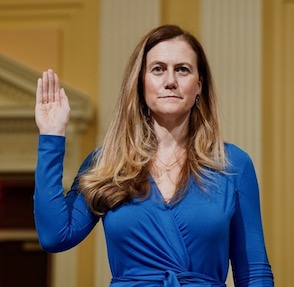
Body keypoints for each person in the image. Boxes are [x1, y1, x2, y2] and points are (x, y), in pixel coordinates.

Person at [34, 25, 274, 286]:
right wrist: (51, 136)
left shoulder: (232, 164)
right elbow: (55, 236)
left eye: (183, 69)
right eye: (158, 69)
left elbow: (254, 274)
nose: (170, 80)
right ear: (140, 83)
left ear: (199, 86)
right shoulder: (108, 162)